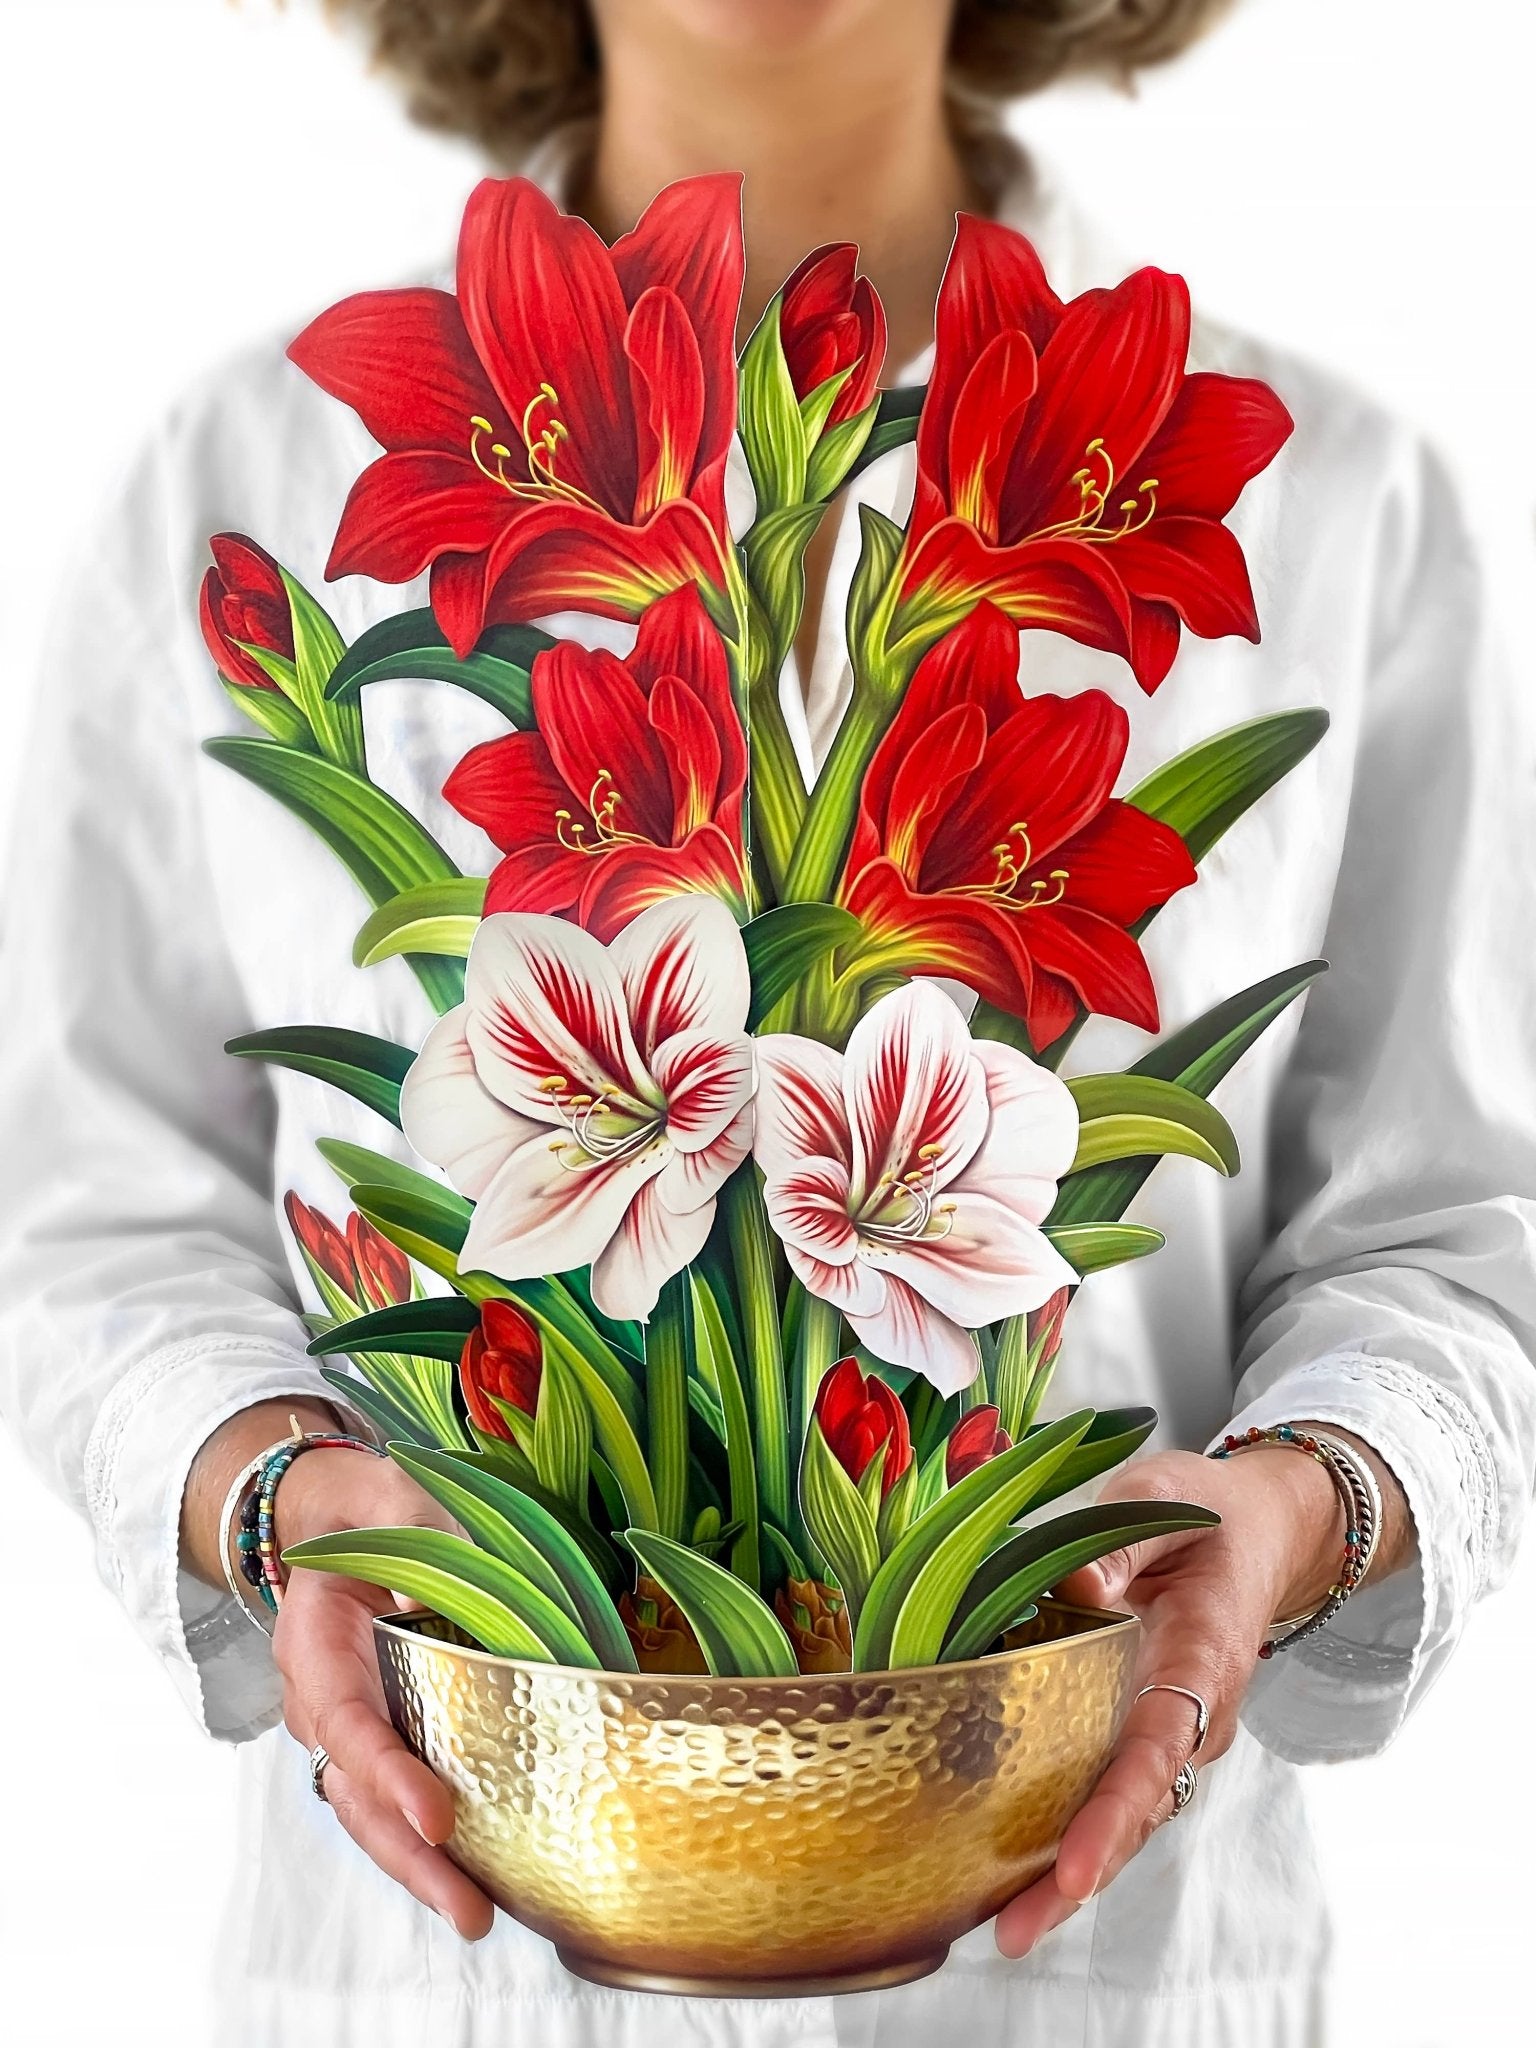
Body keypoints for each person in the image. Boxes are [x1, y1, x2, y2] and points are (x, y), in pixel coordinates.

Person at [1, 2, 1532, 2044]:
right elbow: (89, 1210)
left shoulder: (1351, 505)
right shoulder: (237, 475)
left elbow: (1455, 1237)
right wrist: (275, 1492)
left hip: (1103, 1975)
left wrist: (1300, 1504)